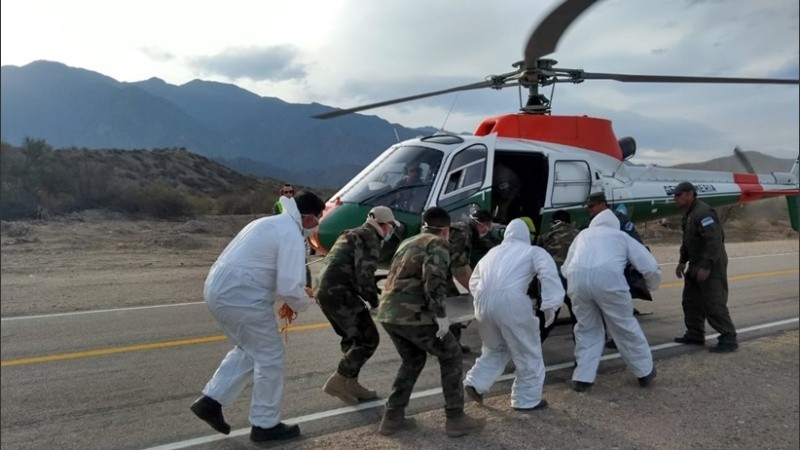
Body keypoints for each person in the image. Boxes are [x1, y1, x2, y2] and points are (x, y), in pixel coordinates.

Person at [190, 191, 326, 443]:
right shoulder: (291, 234)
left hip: (218, 290)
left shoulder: (268, 223)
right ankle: (265, 426)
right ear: (308, 219)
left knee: (251, 349)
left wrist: (293, 295)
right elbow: (288, 285)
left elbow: (264, 269)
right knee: (270, 356)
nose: (317, 225)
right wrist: (304, 301)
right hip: (242, 297)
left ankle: (210, 401)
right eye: (317, 219)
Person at [376, 207, 485, 438]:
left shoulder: (408, 242)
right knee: (452, 355)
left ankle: (392, 418)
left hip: (388, 313)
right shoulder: (438, 243)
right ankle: (455, 418)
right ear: (446, 230)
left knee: (413, 359)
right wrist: (440, 316)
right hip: (413, 315)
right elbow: (433, 279)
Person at [463, 218, 564, 410]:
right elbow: (548, 275)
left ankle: (475, 382)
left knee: (495, 348)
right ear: (526, 235)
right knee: (528, 352)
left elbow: (474, 282)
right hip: (512, 303)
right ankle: (526, 400)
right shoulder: (533, 252)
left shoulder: (492, 252)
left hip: (483, 304)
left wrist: (484, 301)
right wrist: (551, 306)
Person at [562, 208, 661, 392]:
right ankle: (644, 371)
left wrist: (578, 282)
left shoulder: (582, 236)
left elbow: (566, 267)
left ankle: (583, 377)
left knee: (586, 328)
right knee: (624, 326)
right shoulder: (620, 236)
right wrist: (652, 284)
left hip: (577, 282)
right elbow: (649, 266)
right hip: (609, 281)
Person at [316, 206, 397, 405]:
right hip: (340, 292)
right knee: (368, 339)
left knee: (352, 338)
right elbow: (365, 276)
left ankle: (351, 384)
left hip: (323, 291)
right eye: (391, 226)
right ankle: (337, 381)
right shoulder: (370, 239)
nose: (391, 230)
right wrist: (376, 302)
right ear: (384, 225)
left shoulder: (351, 233)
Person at [672, 181, 738, 353]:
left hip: (711, 263)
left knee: (713, 302)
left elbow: (714, 240)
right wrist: (682, 261)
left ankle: (728, 339)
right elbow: (688, 240)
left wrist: (707, 265)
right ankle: (695, 334)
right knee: (691, 301)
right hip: (695, 262)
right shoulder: (689, 213)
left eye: (678, 195)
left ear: (689, 194)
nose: (675, 198)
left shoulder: (703, 212)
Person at [445, 209, 497, 354]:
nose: (487, 230)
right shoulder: (463, 233)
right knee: (452, 306)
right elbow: (459, 267)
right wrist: (475, 291)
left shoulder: (468, 229)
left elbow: (482, 245)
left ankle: (446, 343)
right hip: (438, 271)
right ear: (481, 224)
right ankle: (451, 347)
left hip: (438, 268)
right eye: (487, 226)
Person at [536, 210, 580, 340]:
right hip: (574, 279)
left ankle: (533, 352)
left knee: (546, 320)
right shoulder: (579, 235)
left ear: (553, 222)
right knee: (579, 321)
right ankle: (582, 358)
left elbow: (538, 259)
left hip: (553, 281)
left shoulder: (545, 236)